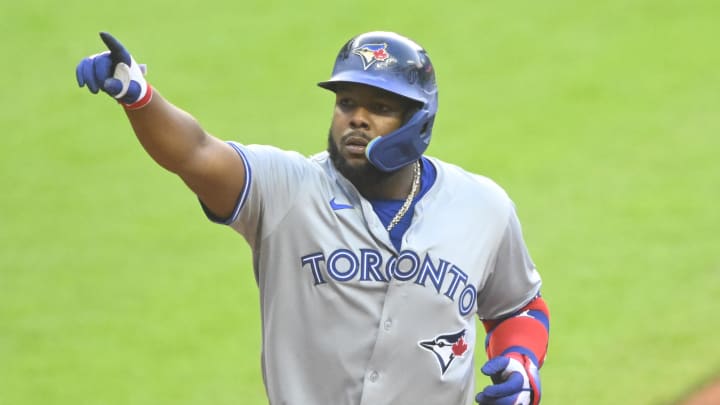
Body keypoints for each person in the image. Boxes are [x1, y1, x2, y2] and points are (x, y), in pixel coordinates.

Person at [76, 31, 551, 405]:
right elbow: (197, 152)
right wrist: (140, 98)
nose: (356, 119)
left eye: (380, 108)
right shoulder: (287, 189)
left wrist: (521, 360)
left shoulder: (482, 207)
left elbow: (519, 307)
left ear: (419, 121)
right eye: (346, 103)